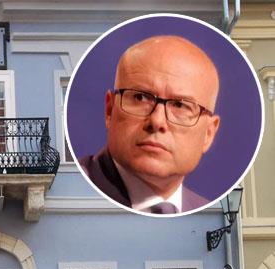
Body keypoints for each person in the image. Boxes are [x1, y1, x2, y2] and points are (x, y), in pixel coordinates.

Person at [79, 35, 221, 214]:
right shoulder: (81, 186)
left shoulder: (206, 211)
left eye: (180, 105)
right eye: (140, 97)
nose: (157, 121)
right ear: (110, 110)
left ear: (208, 133)